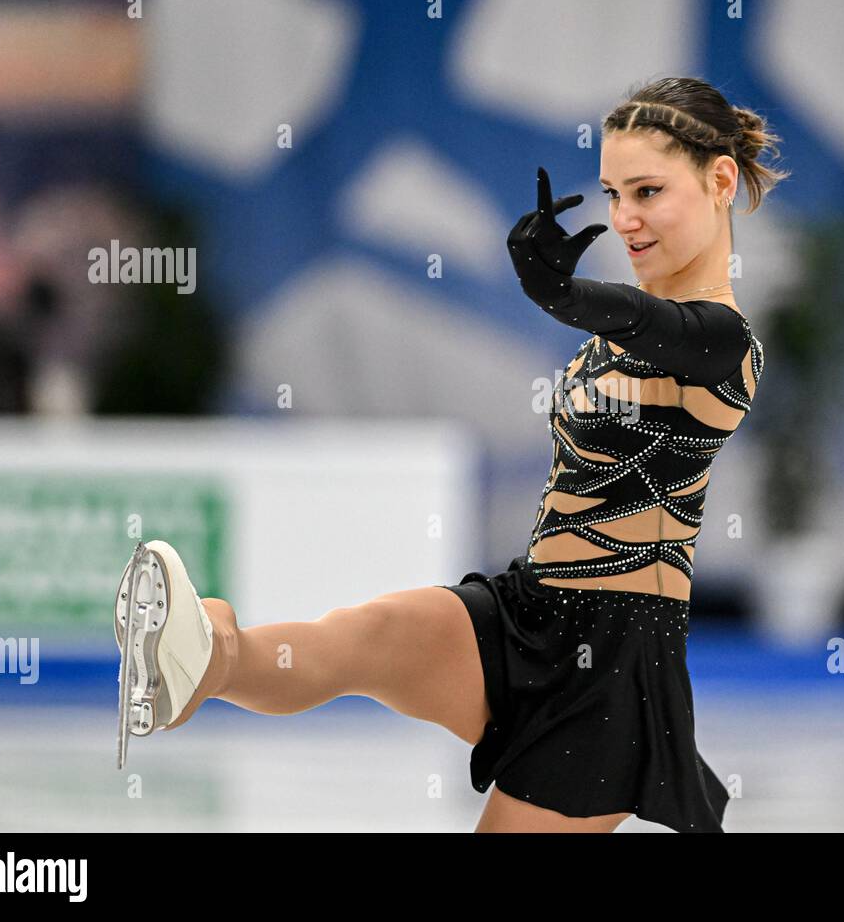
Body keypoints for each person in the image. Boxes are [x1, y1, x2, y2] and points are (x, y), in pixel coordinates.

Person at [114, 76, 788, 832]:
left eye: (647, 191)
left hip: (611, 657)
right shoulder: (621, 335)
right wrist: (571, 302)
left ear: (720, 179)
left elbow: (653, 321)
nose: (624, 218)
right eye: (612, 193)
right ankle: (208, 656)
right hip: (527, 606)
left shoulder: (721, 340)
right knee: (365, 637)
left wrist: (563, 295)